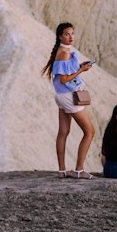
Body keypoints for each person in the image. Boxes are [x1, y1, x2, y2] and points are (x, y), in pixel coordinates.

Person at [42, 21, 96, 178]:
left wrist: (80, 66)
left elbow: (64, 72)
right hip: (68, 96)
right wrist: (81, 70)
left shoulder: (63, 51)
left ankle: (62, 170)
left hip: (61, 95)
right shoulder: (64, 53)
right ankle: (79, 170)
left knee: (63, 132)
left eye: (72, 33)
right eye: (67, 34)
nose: (71, 36)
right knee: (89, 131)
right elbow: (65, 79)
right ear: (60, 36)